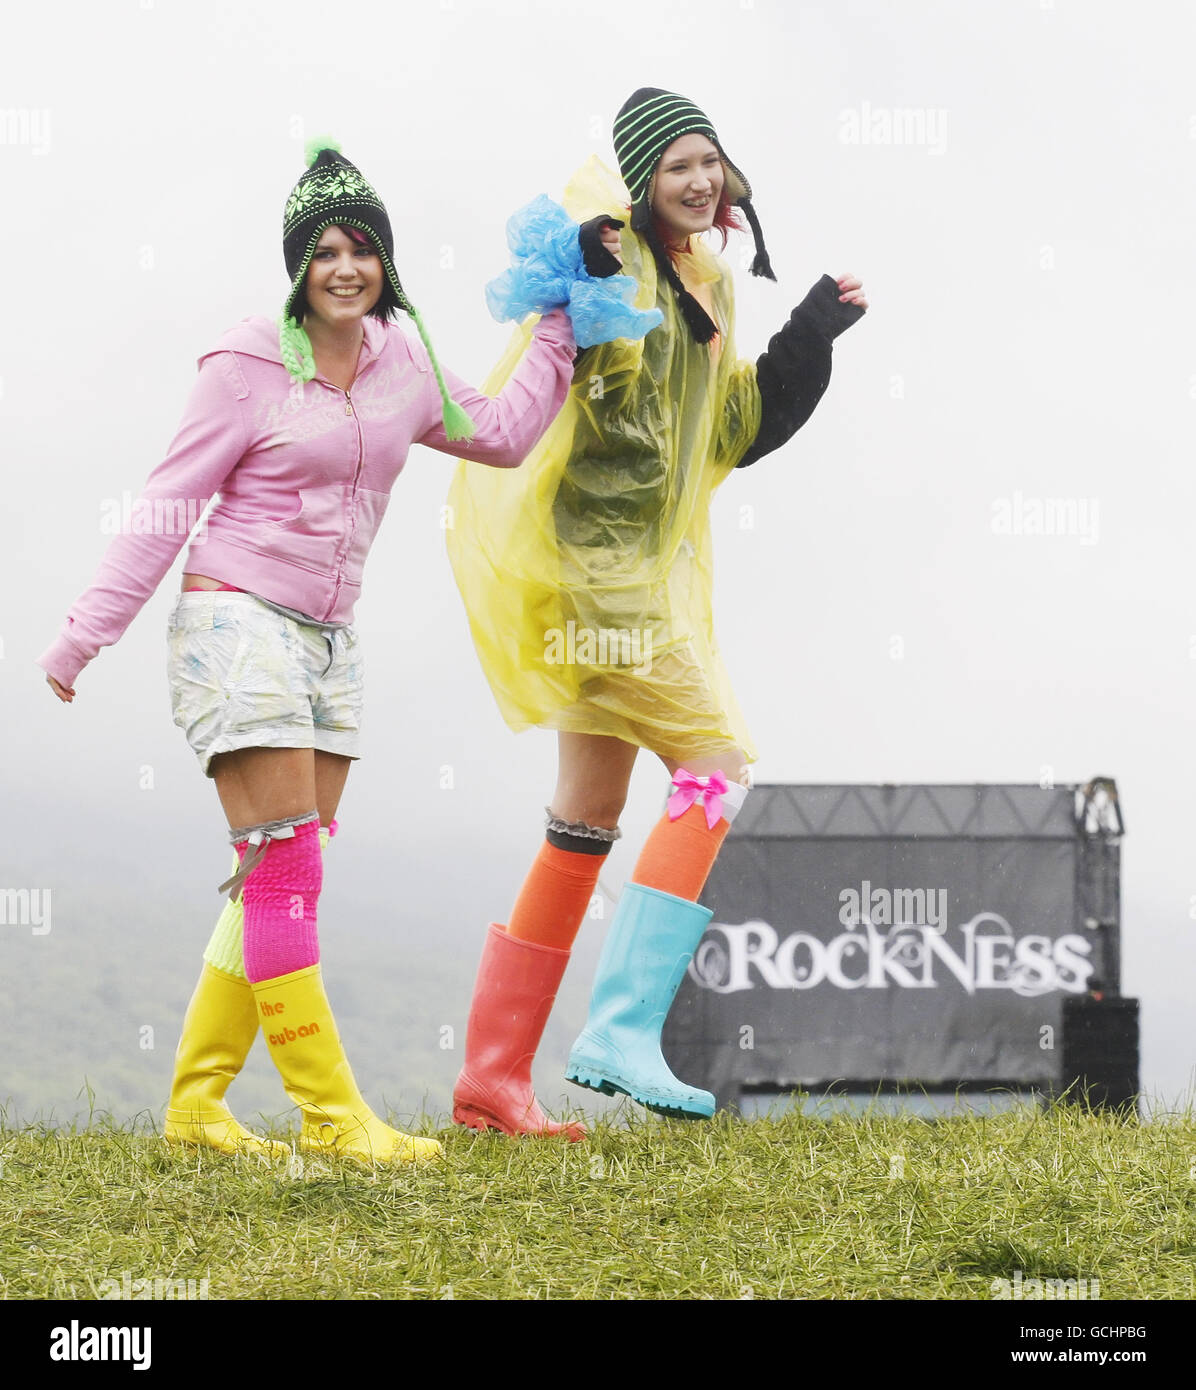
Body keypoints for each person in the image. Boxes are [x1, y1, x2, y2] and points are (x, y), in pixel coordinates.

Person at [37, 140, 580, 1165]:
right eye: (323, 250)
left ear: (385, 262)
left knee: (280, 867)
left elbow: (502, 432)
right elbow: (165, 505)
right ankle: (334, 1116)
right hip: (234, 623)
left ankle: (196, 1107)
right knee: (285, 868)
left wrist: (562, 321)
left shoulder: (403, 361)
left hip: (331, 643)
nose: (344, 267)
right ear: (297, 263)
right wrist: (84, 634)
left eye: (362, 249)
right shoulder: (245, 365)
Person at [446, 89, 868, 1139]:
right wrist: (589, 273)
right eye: (675, 164)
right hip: (597, 574)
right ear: (640, 181)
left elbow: (727, 434)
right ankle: (619, 1031)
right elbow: (582, 383)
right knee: (713, 763)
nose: (697, 180)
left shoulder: (705, 282)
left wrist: (809, 333)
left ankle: (491, 1078)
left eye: (708, 162)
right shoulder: (610, 263)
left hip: (617, 577)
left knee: (583, 818)